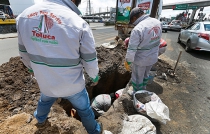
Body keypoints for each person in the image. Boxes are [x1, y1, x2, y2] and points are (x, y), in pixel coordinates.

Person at [16, 0, 101, 133]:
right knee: (84, 110)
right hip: (73, 85)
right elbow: (89, 59)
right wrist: (94, 76)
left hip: (46, 82)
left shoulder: (23, 17)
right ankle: (94, 131)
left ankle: (40, 119)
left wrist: (31, 69)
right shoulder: (78, 22)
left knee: (45, 100)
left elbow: (23, 52)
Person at [124, 7, 162, 91]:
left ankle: (138, 95)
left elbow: (131, 49)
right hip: (152, 57)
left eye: (132, 21)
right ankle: (144, 90)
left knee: (137, 79)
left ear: (134, 18)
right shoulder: (157, 22)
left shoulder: (138, 29)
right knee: (145, 75)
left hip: (141, 60)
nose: (133, 23)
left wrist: (128, 61)